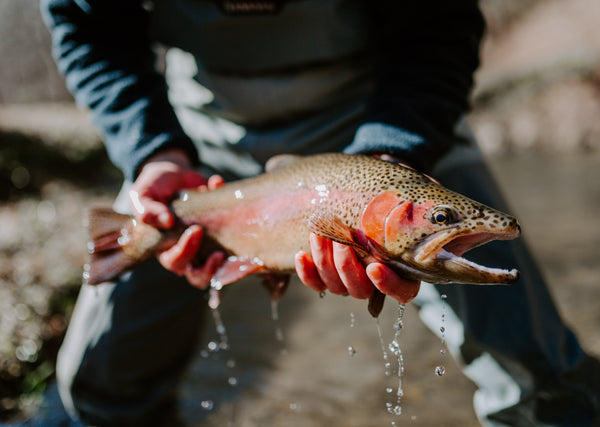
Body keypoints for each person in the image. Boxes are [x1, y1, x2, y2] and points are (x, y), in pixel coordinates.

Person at [41, 1, 599, 426]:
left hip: (394, 128)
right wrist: (153, 151)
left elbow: (440, 28)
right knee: (94, 385)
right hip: (199, 141)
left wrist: (391, 154)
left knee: (544, 377)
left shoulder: (404, 178)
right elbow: (85, 27)